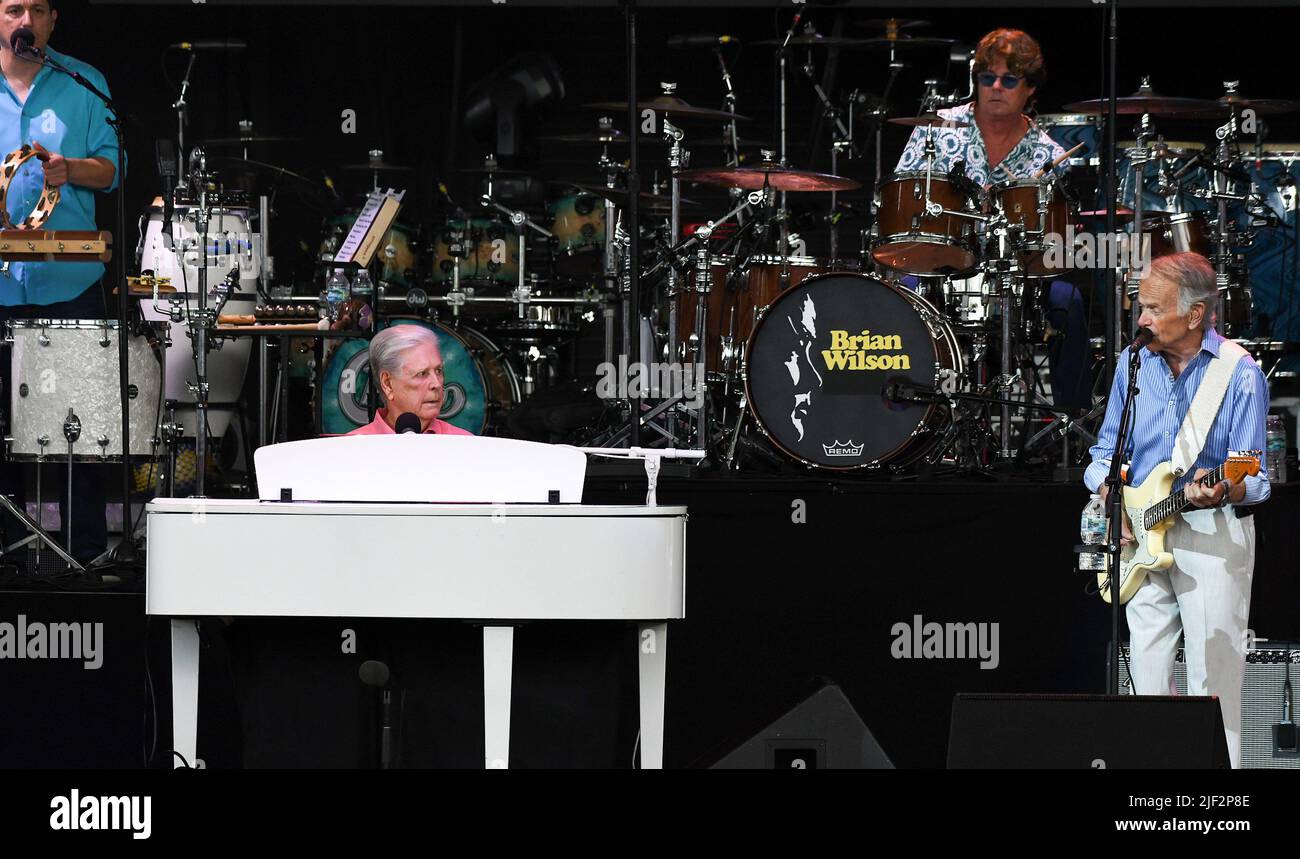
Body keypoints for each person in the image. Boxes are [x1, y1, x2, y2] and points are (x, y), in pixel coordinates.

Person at [1085, 252, 1271, 768]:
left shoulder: (1239, 374)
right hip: (1141, 536)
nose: (1140, 320)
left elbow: (1251, 475)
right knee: (1145, 685)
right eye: (1140, 307)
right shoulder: (1132, 363)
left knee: (1213, 687)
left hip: (1209, 531)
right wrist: (1108, 495)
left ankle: (1218, 808)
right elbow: (1105, 454)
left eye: (1151, 309)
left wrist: (1226, 489)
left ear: (1194, 315)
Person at [892, 28, 1093, 413]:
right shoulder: (936, 129)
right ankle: (900, 419)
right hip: (939, 264)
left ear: (1030, 89)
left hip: (1012, 277)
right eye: (987, 78)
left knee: (1069, 301)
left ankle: (1073, 425)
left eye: (1009, 79)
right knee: (901, 293)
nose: (996, 87)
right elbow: (899, 204)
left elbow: (1053, 242)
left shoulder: (1047, 155)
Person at [0, 0, 122, 564]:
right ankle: (7, 558)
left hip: (70, 281)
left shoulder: (85, 83)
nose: (25, 21)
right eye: (12, 9)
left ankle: (86, 559)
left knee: (78, 428)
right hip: (3, 286)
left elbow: (112, 168)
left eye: (36, 11)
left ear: (52, 21)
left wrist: (68, 168)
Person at [346, 325, 473, 436]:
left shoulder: (465, 445)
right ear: (388, 384)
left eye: (438, 371)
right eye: (422, 373)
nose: (437, 384)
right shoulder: (351, 450)